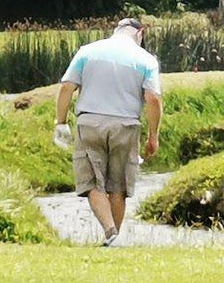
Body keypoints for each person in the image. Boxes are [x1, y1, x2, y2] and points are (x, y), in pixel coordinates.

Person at [55, 17, 162, 246]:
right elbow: (153, 98)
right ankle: (114, 238)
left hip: (89, 123)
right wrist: (154, 136)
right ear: (140, 33)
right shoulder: (146, 59)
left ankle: (111, 233)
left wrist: (61, 122)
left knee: (92, 182)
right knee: (119, 186)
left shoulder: (88, 51)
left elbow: (66, 87)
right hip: (126, 125)